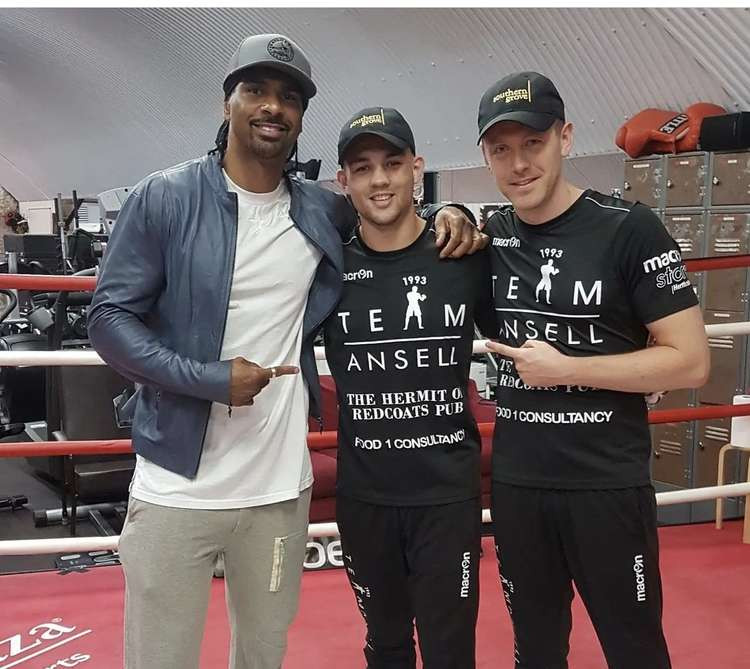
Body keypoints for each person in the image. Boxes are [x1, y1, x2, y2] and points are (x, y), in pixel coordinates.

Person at [88, 34, 483, 669]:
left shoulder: (320, 211)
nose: (273, 106)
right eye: (257, 90)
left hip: (277, 490)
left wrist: (452, 210)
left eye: (289, 96)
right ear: (228, 102)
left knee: (263, 657)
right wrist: (206, 379)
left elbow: (388, 207)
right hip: (176, 488)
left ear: (301, 116)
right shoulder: (163, 197)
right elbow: (106, 320)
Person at [476, 71, 710, 669]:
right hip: (520, 487)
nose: (518, 164)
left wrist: (567, 369)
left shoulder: (627, 228)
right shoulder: (489, 236)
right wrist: (447, 210)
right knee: (536, 649)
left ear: (566, 138)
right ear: (486, 156)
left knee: (634, 648)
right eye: (501, 149)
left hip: (605, 484)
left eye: (533, 143)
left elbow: (691, 361)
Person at [324, 107, 496, 669]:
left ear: (416, 168)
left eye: (393, 163)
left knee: (451, 651)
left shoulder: (463, 254)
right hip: (366, 496)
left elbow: (526, 327)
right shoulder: (326, 267)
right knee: (386, 646)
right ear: (342, 181)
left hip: (445, 496)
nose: (380, 180)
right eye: (363, 167)